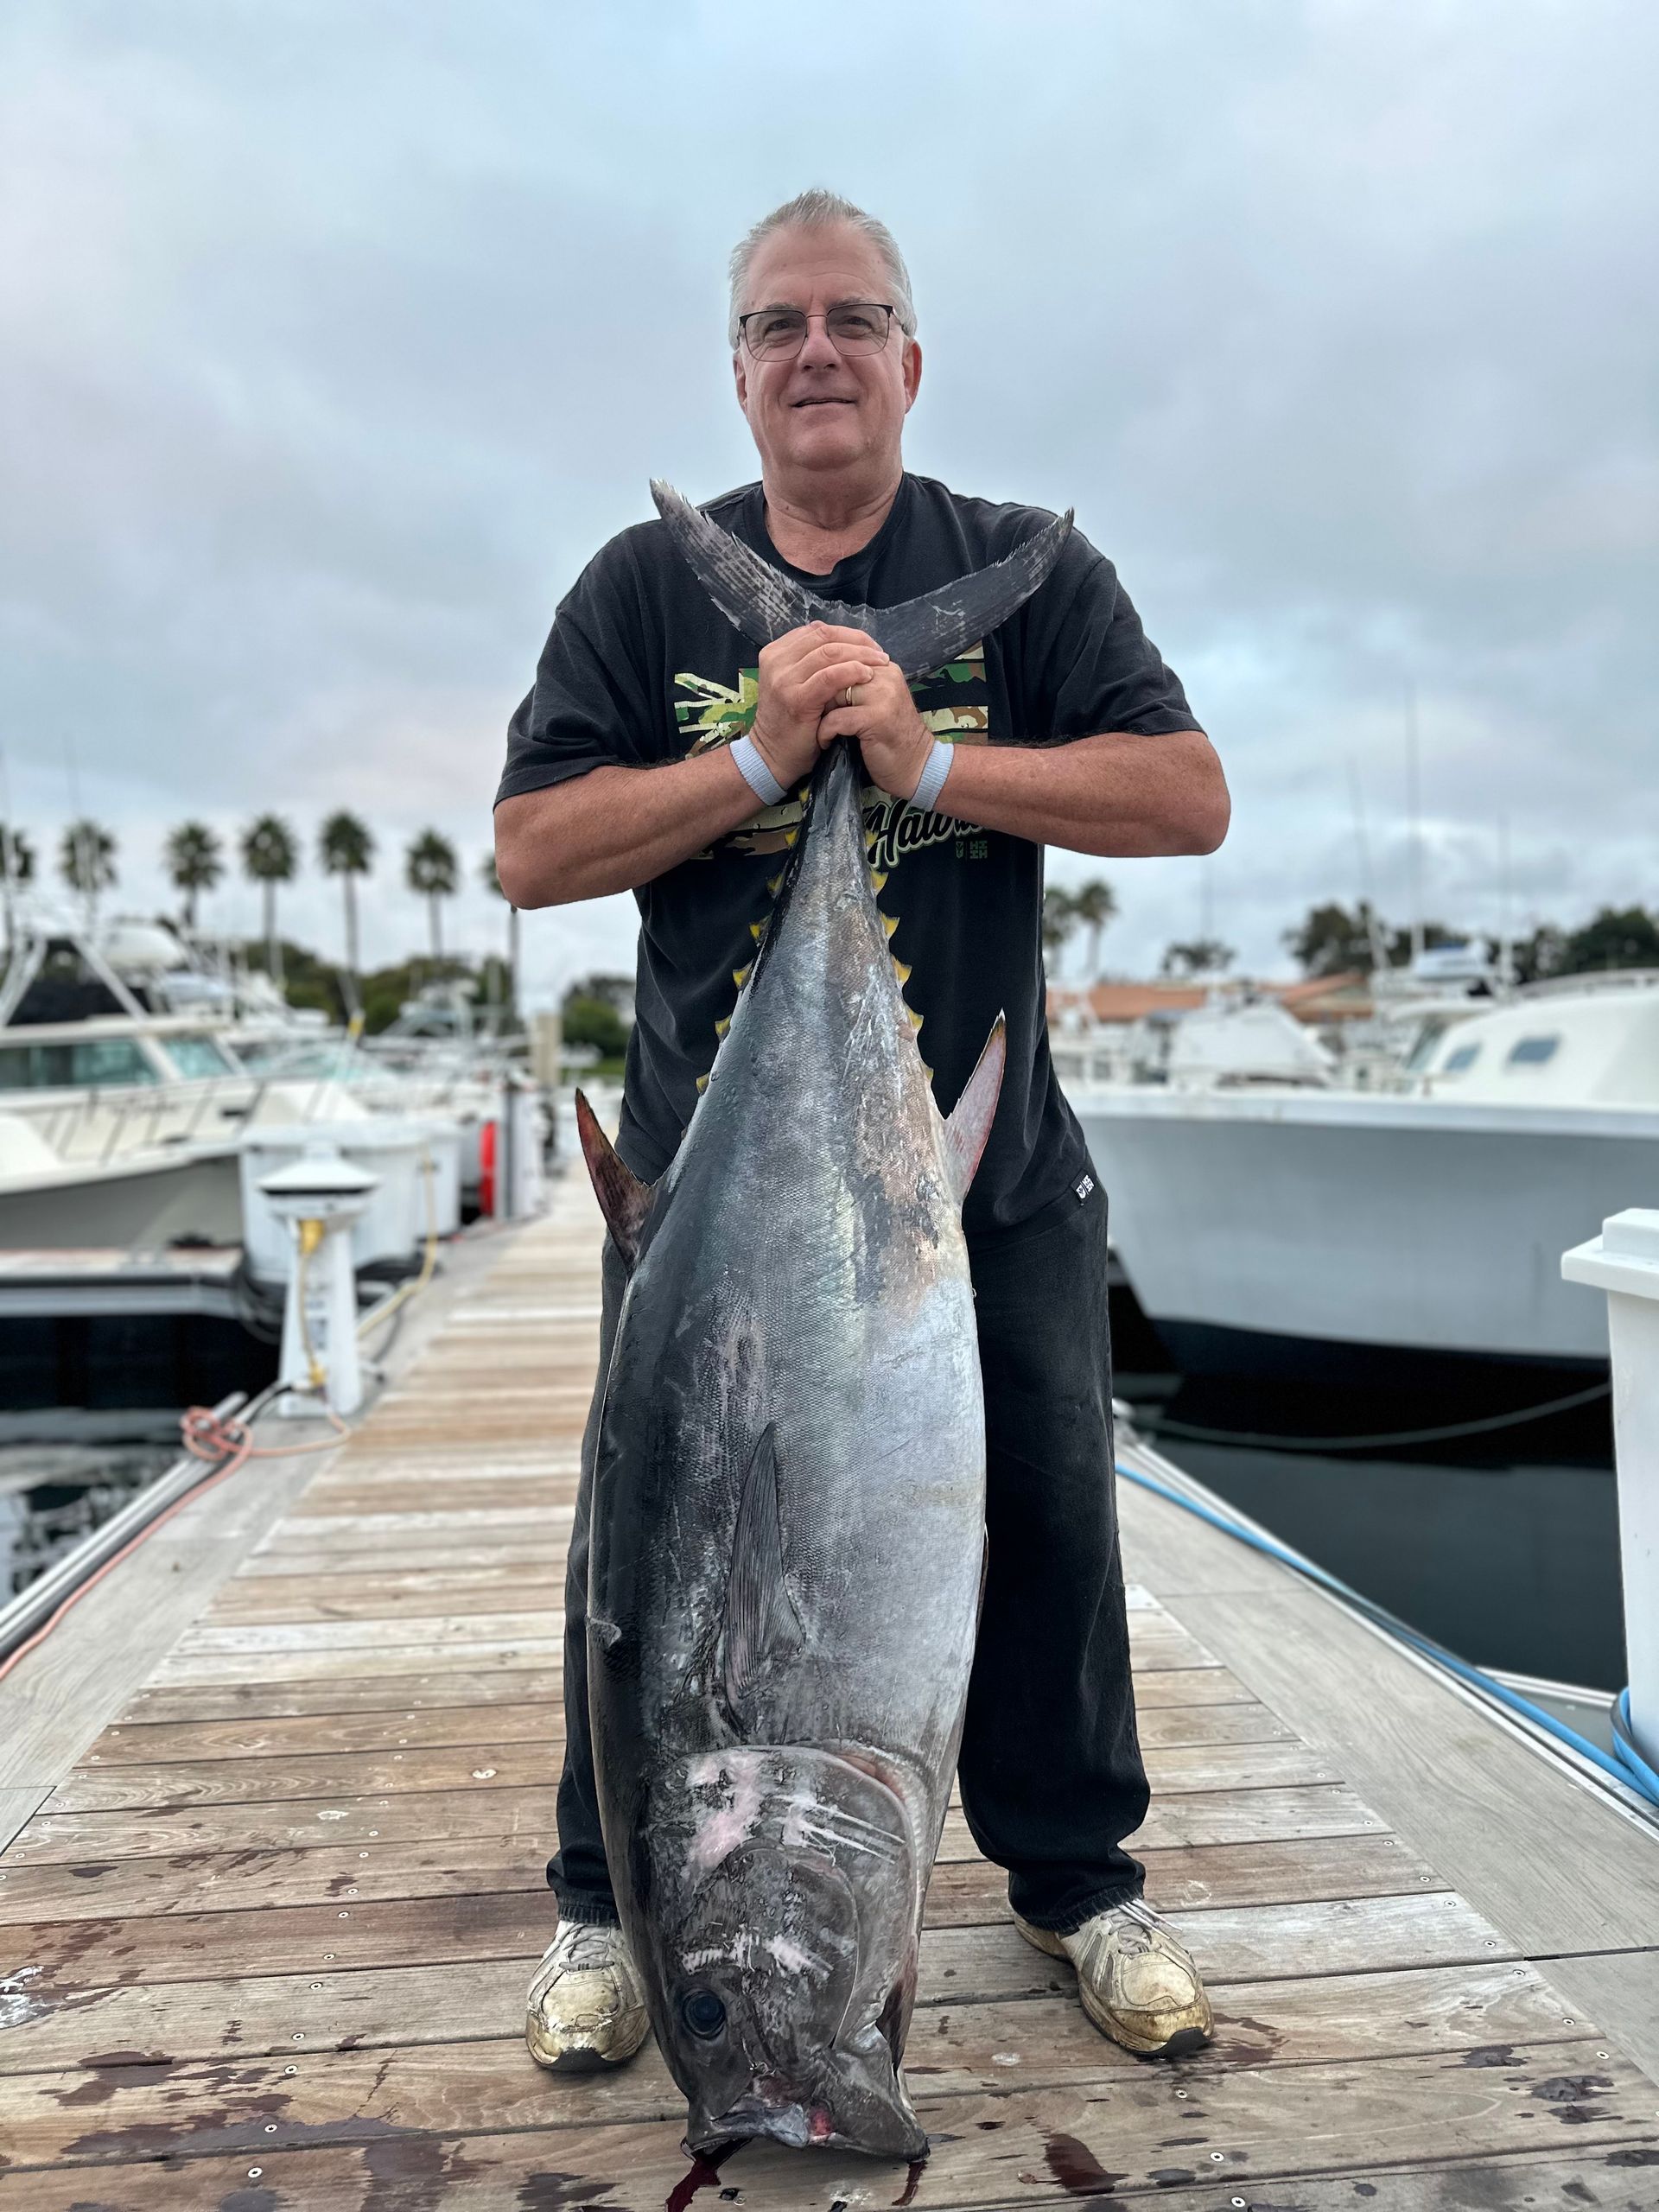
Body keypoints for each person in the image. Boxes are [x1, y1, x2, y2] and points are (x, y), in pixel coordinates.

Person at [494, 189, 1230, 2078]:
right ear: (738, 373)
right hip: (704, 1201)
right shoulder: (645, 590)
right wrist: (756, 755)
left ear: (911, 360)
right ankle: (608, 1895)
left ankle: (1080, 1883)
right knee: (647, 1550)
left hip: (979, 1175)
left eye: (853, 318)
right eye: (776, 324)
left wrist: (929, 760)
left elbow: (1189, 795)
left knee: (1051, 1520)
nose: (815, 351)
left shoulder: (1030, 575)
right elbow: (528, 847)